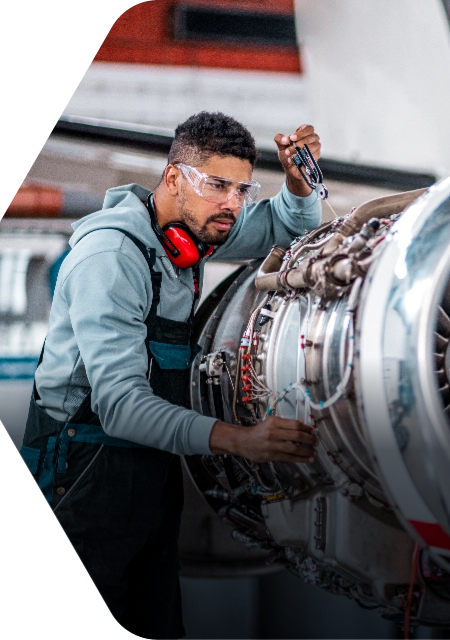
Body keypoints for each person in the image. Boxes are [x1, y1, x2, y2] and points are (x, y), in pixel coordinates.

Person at [20, 112, 323, 638]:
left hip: (149, 475)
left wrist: (298, 188)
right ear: (175, 177)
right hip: (79, 476)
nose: (232, 203)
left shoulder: (189, 234)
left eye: (242, 189)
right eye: (218, 185)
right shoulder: (113, 256)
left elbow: (288, 226)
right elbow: (120, 408)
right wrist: (240, 440)